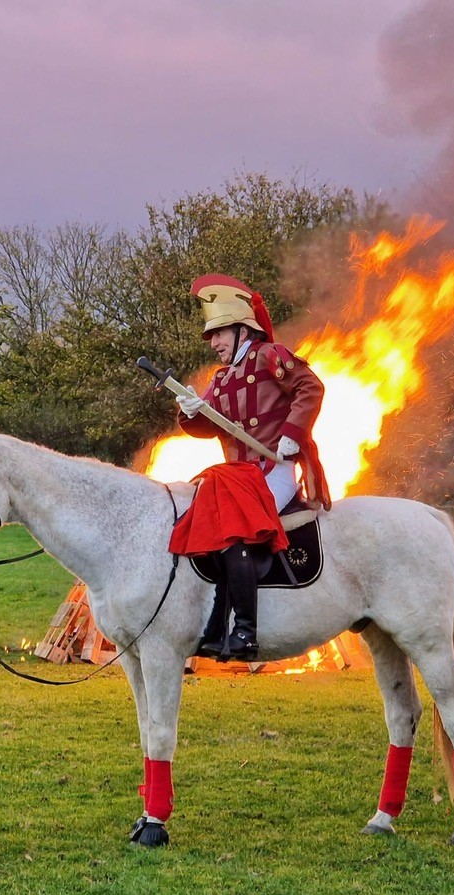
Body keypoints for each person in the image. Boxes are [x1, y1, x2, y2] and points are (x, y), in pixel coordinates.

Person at [169, 274, 331, 662]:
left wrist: (293, 432)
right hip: (237, 477)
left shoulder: (271, 355)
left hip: (273, 471)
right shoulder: (220, 380)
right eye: (211, 336)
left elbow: (311, 388)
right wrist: (191, 412)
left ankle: (244, 632)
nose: (214, 343)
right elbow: (209, 426)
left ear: (243, 329)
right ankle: (214, 627)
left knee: (235, 528)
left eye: (219, 333)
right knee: (204, 521)